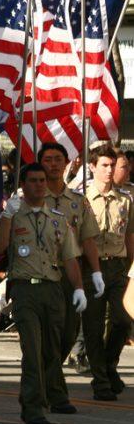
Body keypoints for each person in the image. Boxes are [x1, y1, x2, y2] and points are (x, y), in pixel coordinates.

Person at [0, 163, 87, 424]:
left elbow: (69, 257)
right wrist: (8, 216)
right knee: (32, 350)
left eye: (42, 180)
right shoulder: (13, 215)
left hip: (52, 289)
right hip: (25, 290)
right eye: (33, 180)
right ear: (22, 185)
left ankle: (44, 395)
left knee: (52, 350)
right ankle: (33, 408)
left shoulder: (57, 218)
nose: (39, 185)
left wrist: (78, 287)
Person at [37, 142, 103, 392]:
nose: (53, 164)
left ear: (66, 164)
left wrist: (96, 271)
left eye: (58, 159)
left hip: (71, 273)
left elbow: (87, 239)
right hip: (41, 273)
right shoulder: (30, 198)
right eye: (48, 159)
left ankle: (45, 376)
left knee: (68, 333)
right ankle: (51, 388)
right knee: (47, 334)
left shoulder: (78, 201)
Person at [82, 144, 133, 401]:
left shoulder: (125, 200)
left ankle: (109, 366)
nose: (109, 170)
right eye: (104, 165)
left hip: (117, 266)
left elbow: (130, 237)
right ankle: (101, 380)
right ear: (92, 167)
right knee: (92, 326)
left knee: (124, 319)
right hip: (91, 266)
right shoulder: (81, 199)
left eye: (113, 165)